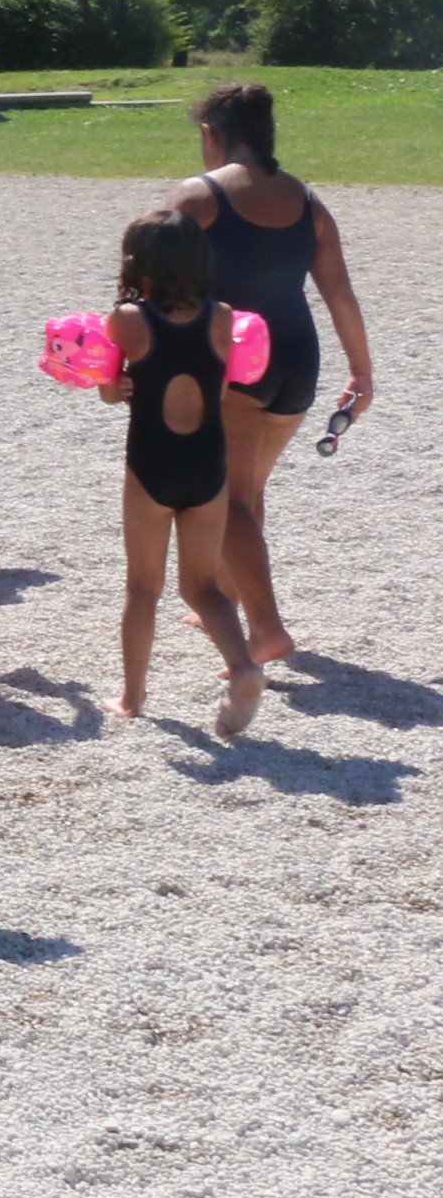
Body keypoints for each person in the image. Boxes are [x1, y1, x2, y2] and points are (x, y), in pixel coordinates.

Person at [164, 81, 374, 665]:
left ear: (213, 134)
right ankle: (230, 594)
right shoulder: (308, 202)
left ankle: (266, 627)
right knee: (248, 490)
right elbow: (340, 292)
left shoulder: (199, 196)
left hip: (236, 361)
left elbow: (152, 276)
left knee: (227, 497)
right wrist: (362, 371)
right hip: (297, 363)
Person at [101, 208, 262, 737]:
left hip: (152, 462)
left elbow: (108, 389)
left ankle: (132, 696)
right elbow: (218, 391)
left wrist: (119, 385)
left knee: (143, 588)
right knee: (203, 589)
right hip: (208, 464)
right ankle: (243, 667)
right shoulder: (221, 317)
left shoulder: (126, 320)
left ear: (138, 267)